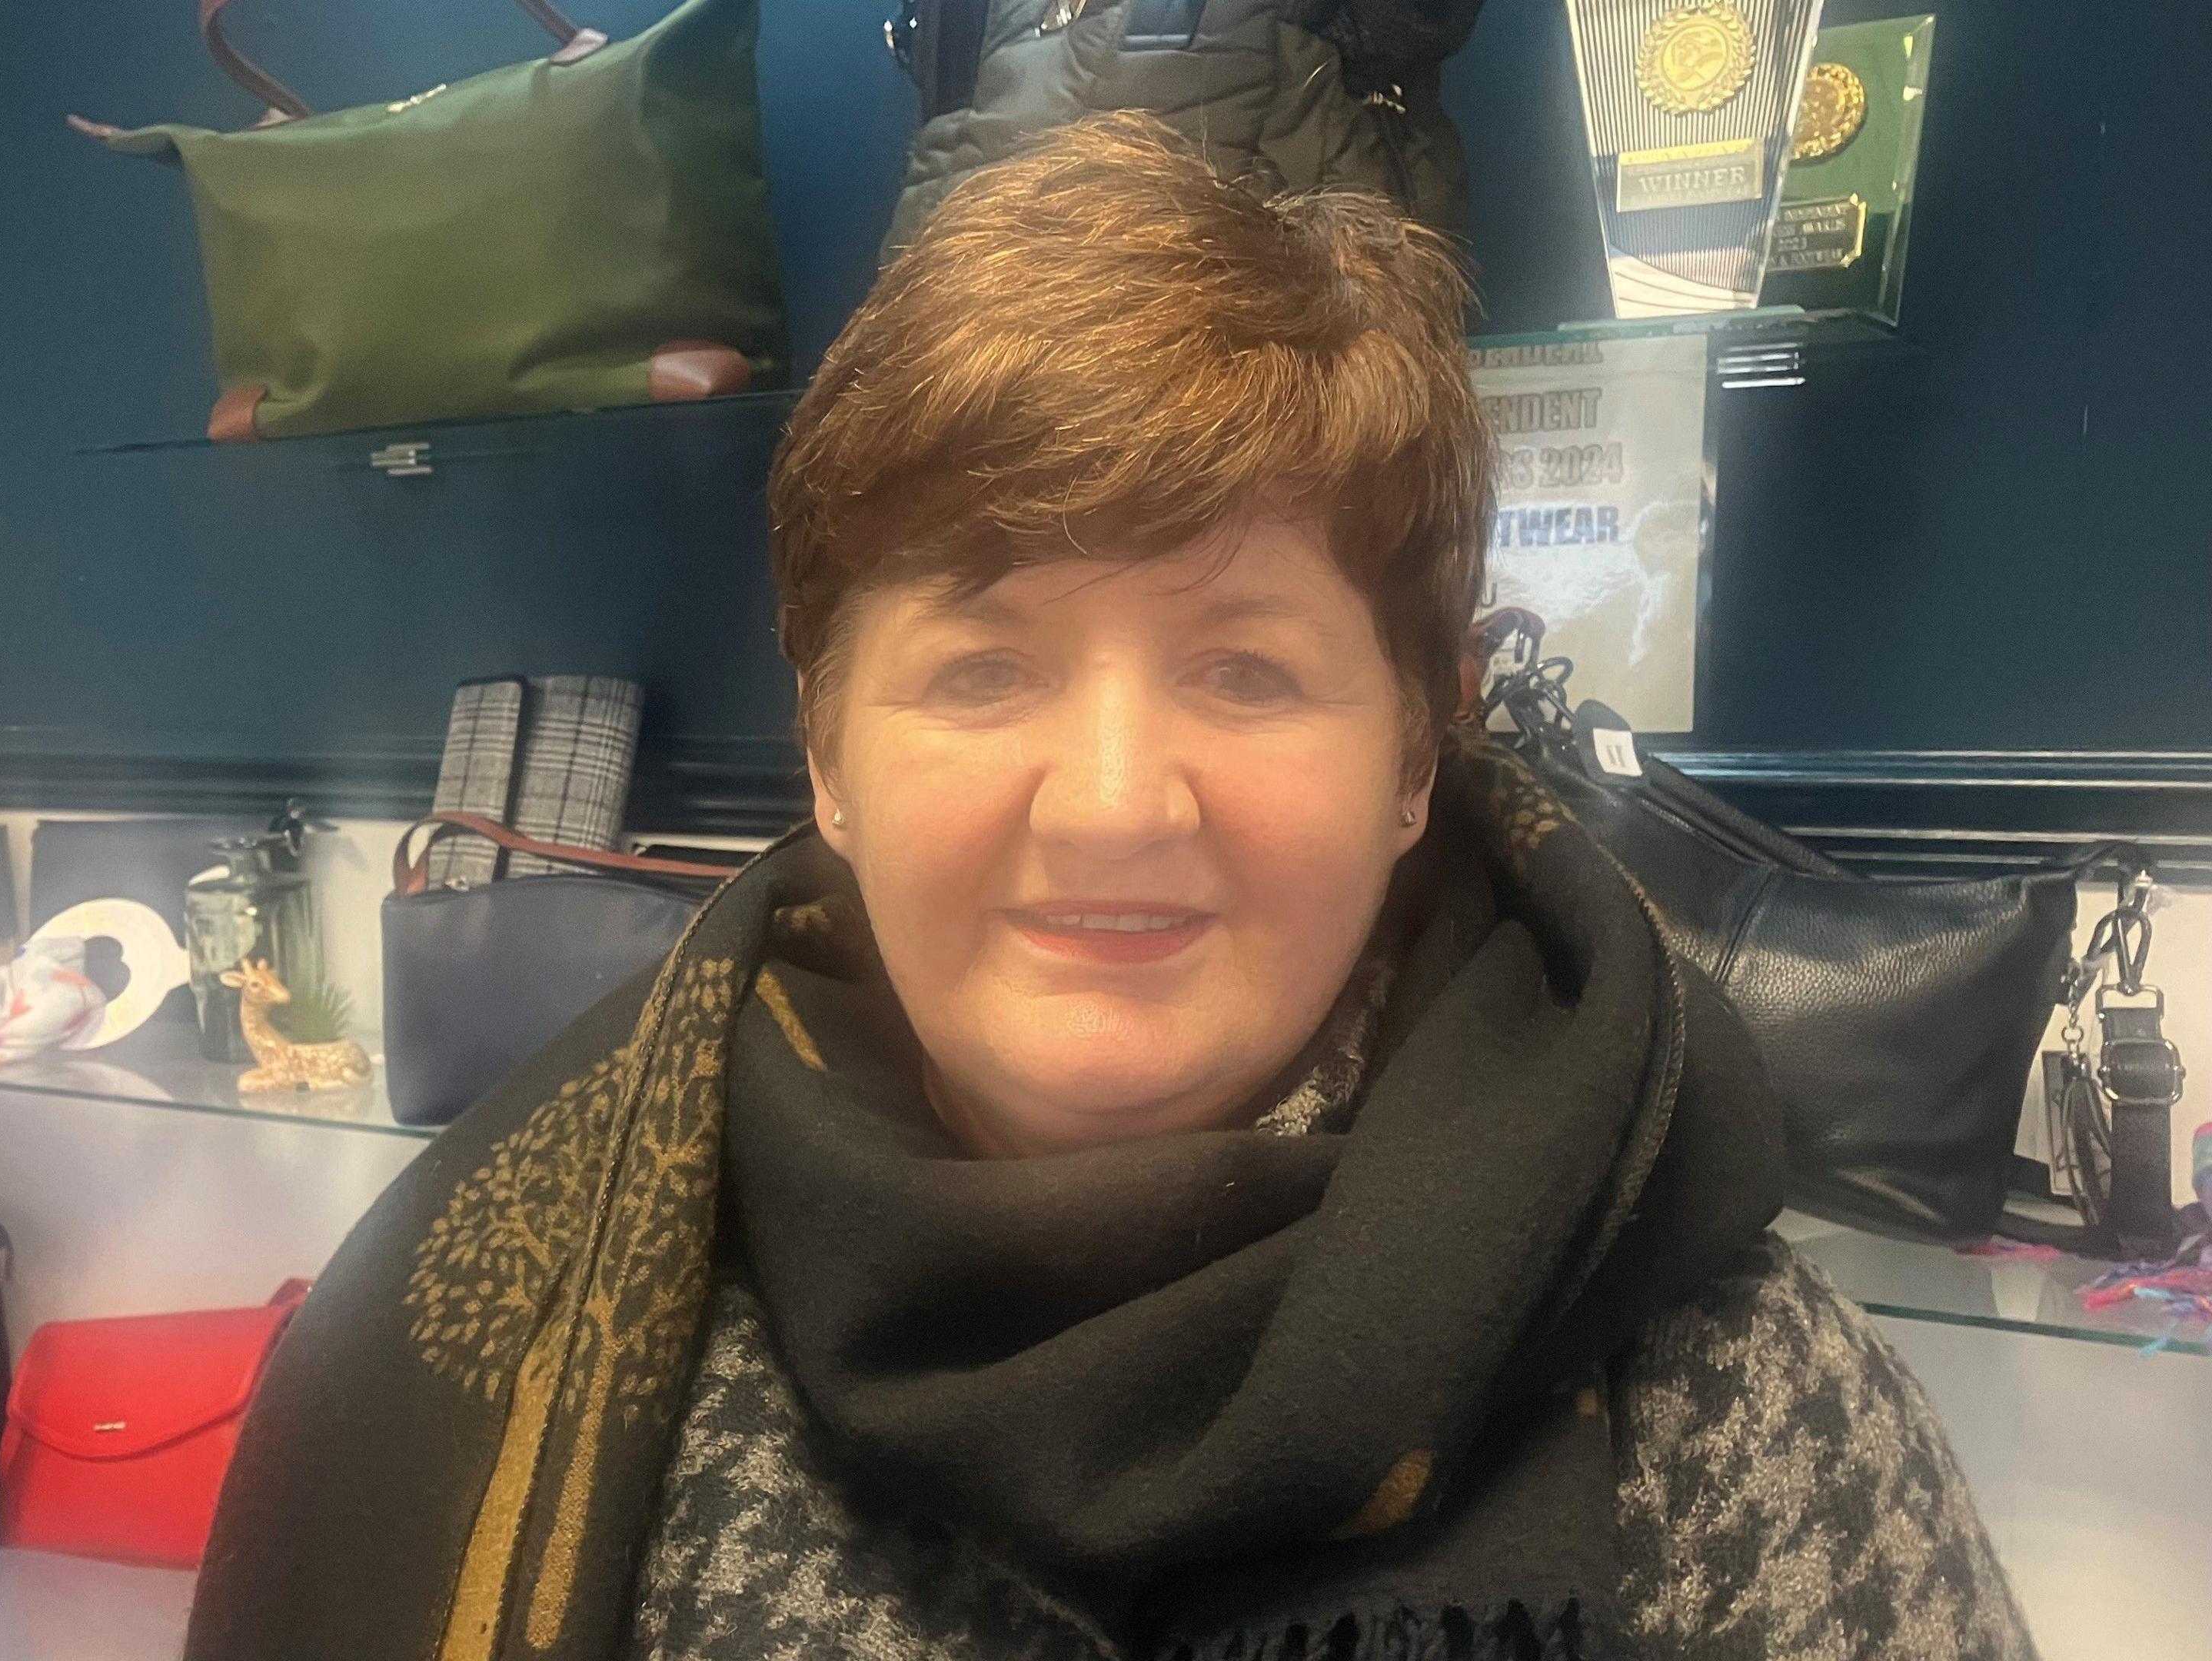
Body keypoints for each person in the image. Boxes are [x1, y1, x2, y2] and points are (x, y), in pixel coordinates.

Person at [184, 115, 2032, 1661]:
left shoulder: (1735, 1408)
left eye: (1246, 668)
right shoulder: (500, 1341)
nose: (1117, 807)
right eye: (982, 668)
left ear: (1415, 755)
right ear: (828, 750)